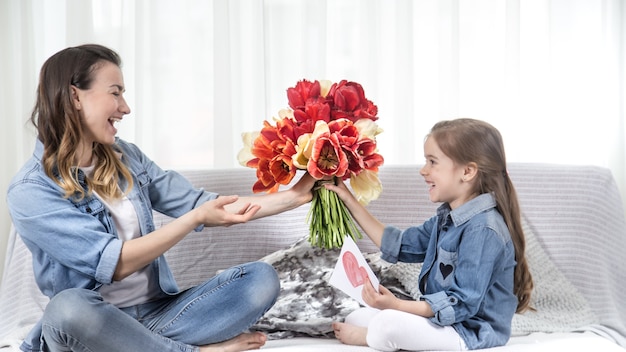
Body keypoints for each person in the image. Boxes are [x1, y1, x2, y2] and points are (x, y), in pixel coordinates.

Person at [6, 44, 316, 352]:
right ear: (75, 96)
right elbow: (115, 264)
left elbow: (203, 204)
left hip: (160, 316)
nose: (125, 107)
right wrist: (193, 220)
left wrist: (296, 197)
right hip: (92, 328)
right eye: (115, 93)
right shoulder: (31, 190)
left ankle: (143, 347)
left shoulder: (125, 156)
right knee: (67, 308)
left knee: (260, 278)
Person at [328, 118, 534, 351]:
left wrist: (396, 305)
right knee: (356, 316)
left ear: (467, 172)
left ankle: (370, 337)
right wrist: (348, 199)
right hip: (442, 322)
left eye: (432, 162)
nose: (423, 170)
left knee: (386, 324)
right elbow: (400, 244)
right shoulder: (446, 219)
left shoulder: (483, 229)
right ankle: (376, 333)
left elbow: (462, 303)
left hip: (468, 331)